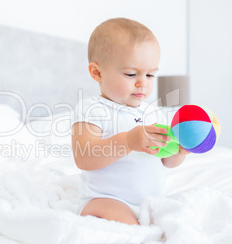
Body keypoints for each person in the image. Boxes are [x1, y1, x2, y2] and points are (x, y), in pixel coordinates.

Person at [71, 18, 189, 225]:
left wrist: (179, 151)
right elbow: (84, 157)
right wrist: (127, 141)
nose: (142, 82)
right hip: (107, 200)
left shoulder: (153, 113)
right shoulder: (92, 109)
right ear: (97, 72)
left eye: (151, 74)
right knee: (128, 228)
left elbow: (166, 161)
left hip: (150, 202)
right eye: (131, 74)